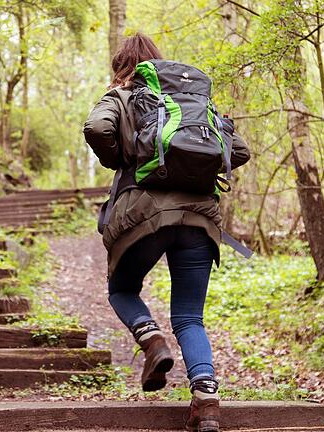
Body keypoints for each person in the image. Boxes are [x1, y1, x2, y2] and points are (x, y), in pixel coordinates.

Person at [83, 33, 250, 432]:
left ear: (121, 66)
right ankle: (207, 400)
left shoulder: (123, 95)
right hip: (200, 218)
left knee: (121, 290)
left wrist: (122, 158)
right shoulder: (190, 103)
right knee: (191, 316)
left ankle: (151, 340)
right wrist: (194, 168)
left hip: (142, 213)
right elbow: (238, 150)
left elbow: (95, 128)